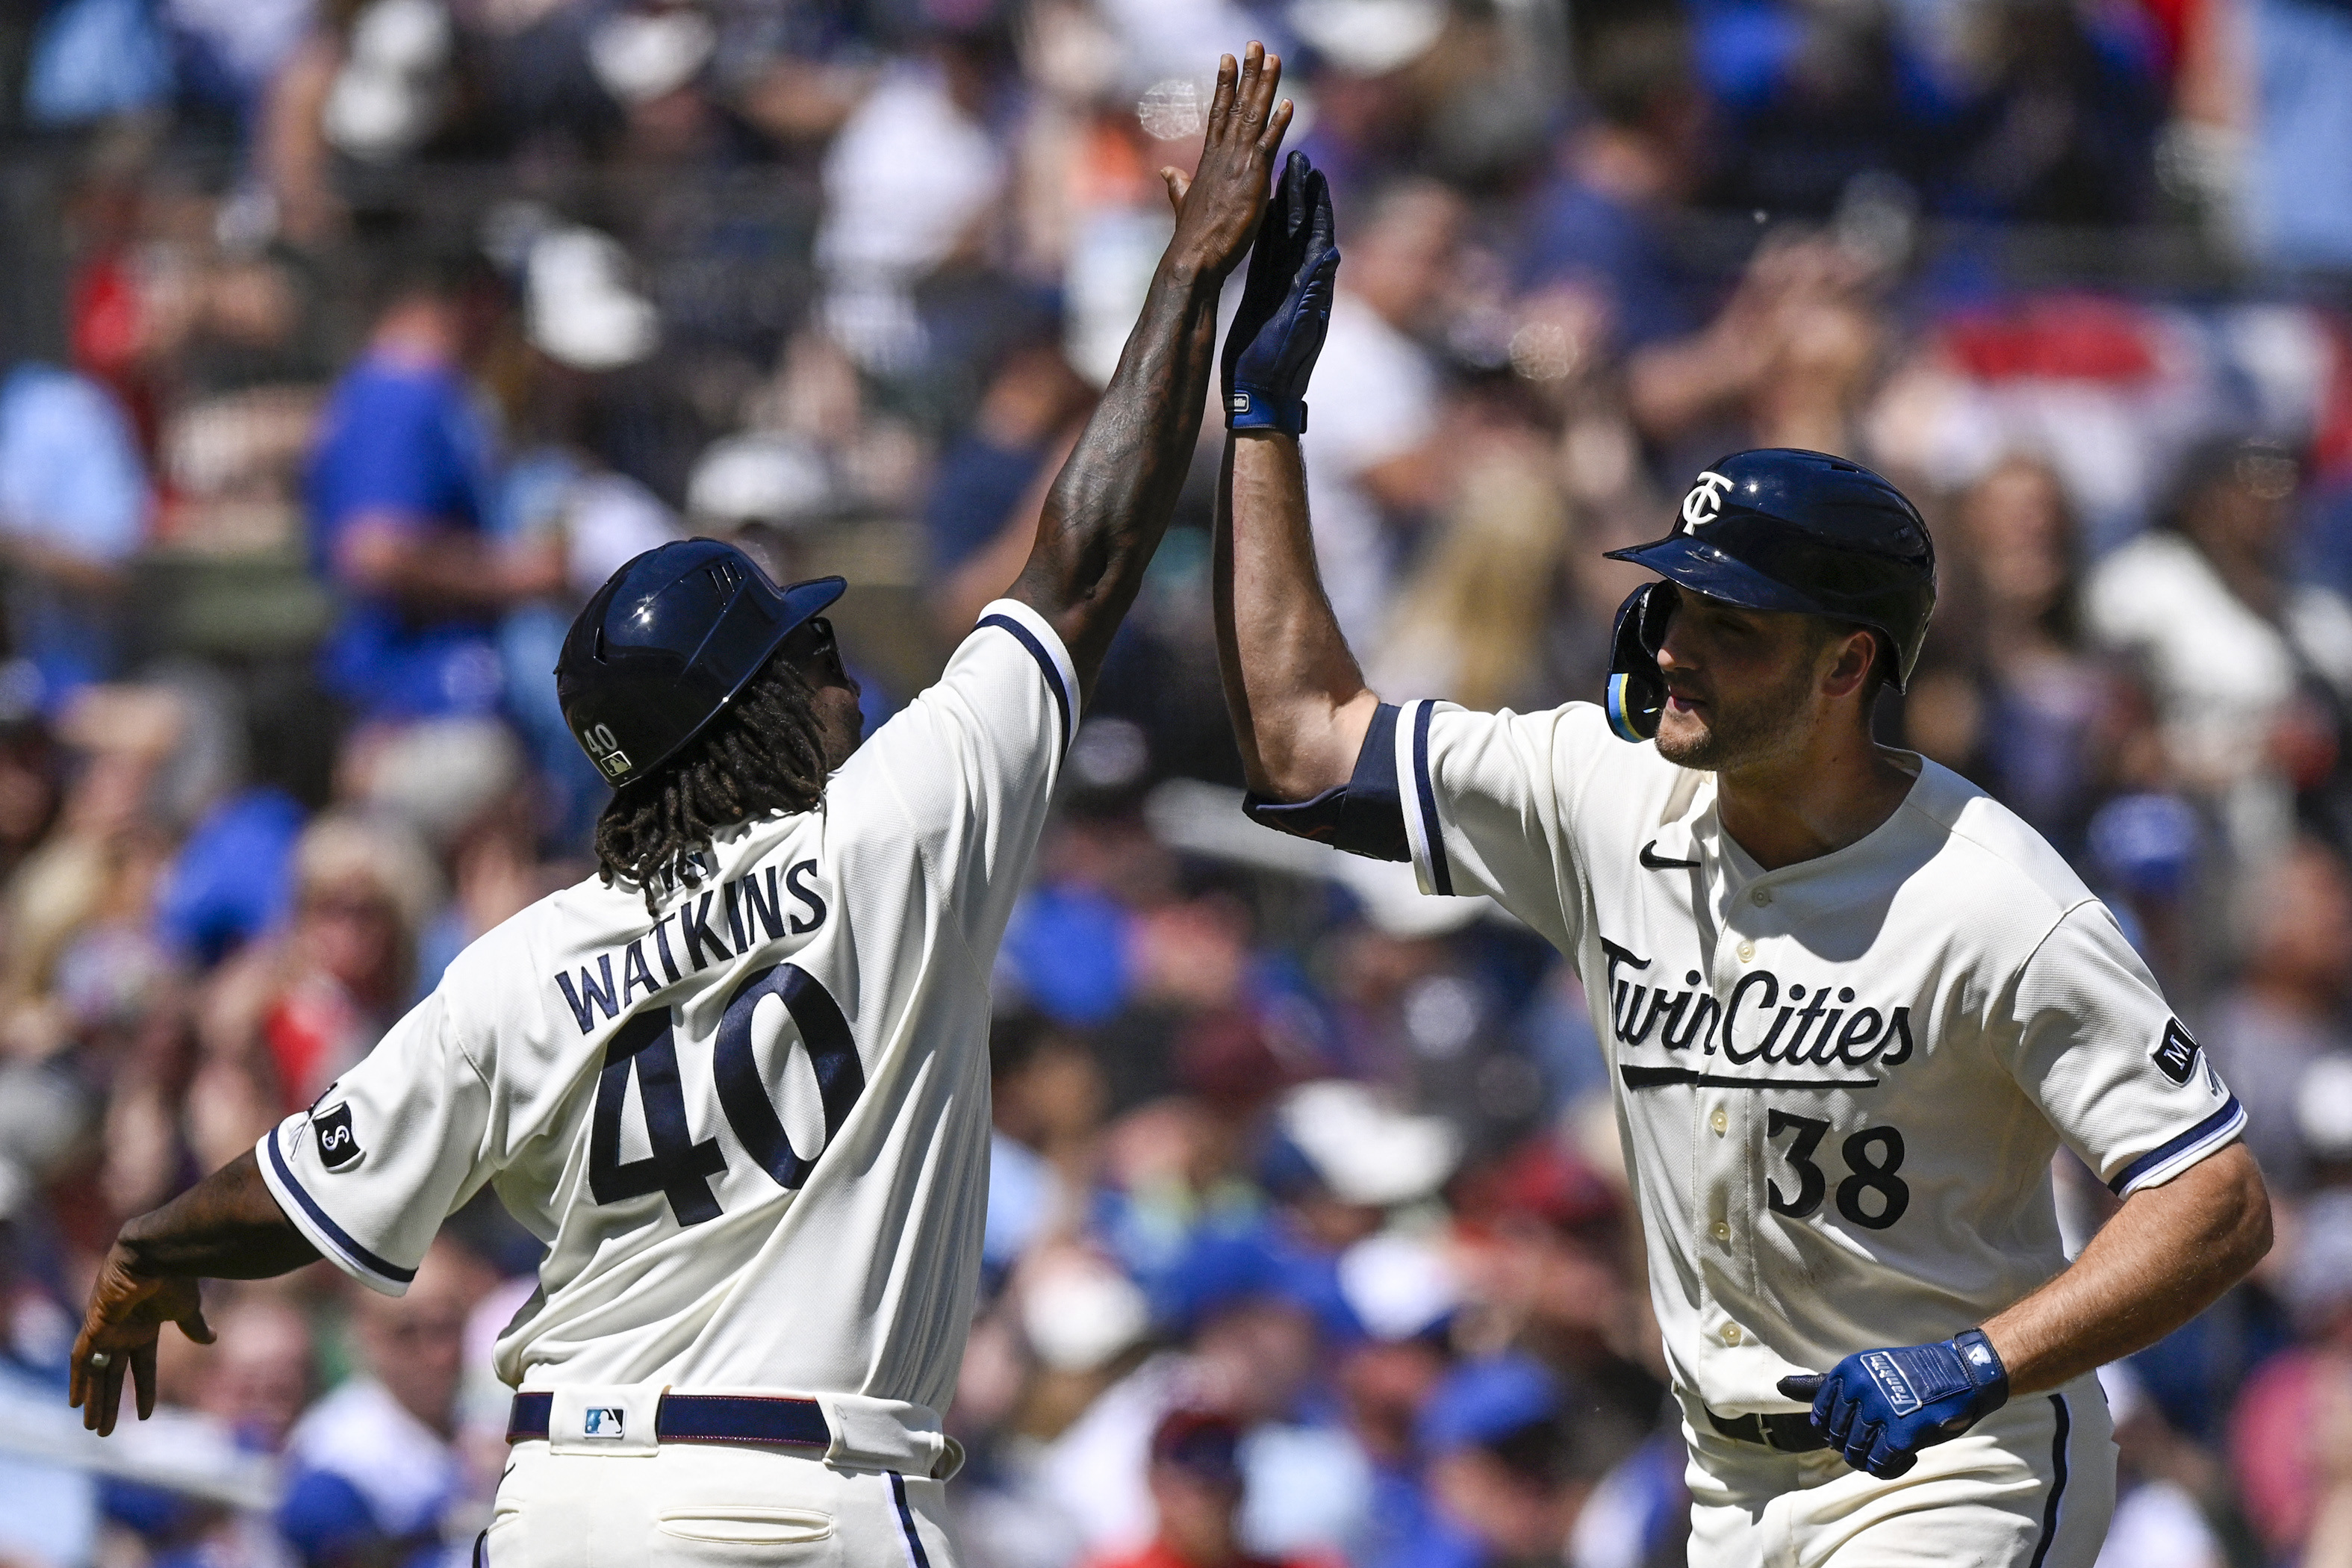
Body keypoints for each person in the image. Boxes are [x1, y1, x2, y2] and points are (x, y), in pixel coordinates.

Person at [66, 43, 1301, 1568]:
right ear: (758, 711)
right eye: (817, 659)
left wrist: (144, 1248)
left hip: (565, 1503)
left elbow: (294, 1189)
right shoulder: (895, 834)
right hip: (806, 1493)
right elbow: (1089, 553)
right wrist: (1189, 277)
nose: (852, 683)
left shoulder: (526, 958)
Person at [1209, 163, 2272, 1564]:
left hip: (1953, 1469)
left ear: (1848, 664)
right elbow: (1301, 746)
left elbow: (2216, 1200)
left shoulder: (1993, 895)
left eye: (1735, 626)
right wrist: (1265, 422)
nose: (1673, 649)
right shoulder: (1599, 789)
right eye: (1675, 603)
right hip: (1721, 1478)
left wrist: (1977, 1362)